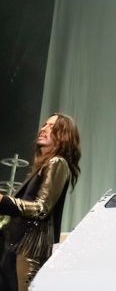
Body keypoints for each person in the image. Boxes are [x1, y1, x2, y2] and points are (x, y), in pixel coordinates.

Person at [0, 113, 81, 291]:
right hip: (17, 246)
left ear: (63, 136)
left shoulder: (57, 162)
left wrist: (4, 201)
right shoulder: (44, 166)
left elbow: (42, 208)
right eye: (44, 125)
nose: (43, 129)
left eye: (52, 127)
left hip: (28, 250)